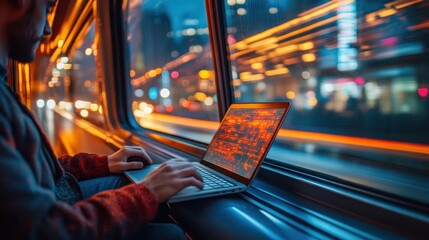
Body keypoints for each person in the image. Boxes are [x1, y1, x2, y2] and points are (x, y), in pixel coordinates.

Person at [0, 0, 203, 239]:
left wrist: (104, 163)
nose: (47, 29)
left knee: (127, 182)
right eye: (47, 10)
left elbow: (42, 169)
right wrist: (147, 192)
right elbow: (42, 230)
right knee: (171, 235)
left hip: (52, 196)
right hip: (50, 215)